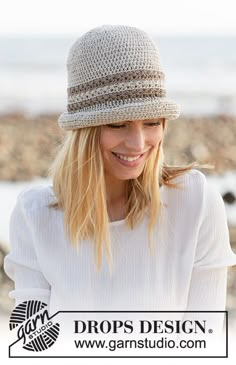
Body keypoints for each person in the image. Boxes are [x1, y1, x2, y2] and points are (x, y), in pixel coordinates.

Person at [4, 25, 236, 335]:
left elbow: (203, 341)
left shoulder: (196, 203)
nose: (138, 144)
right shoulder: (34, 215)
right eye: (118, 124)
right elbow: (35, 345)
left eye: (152, 122)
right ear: (84, 131)